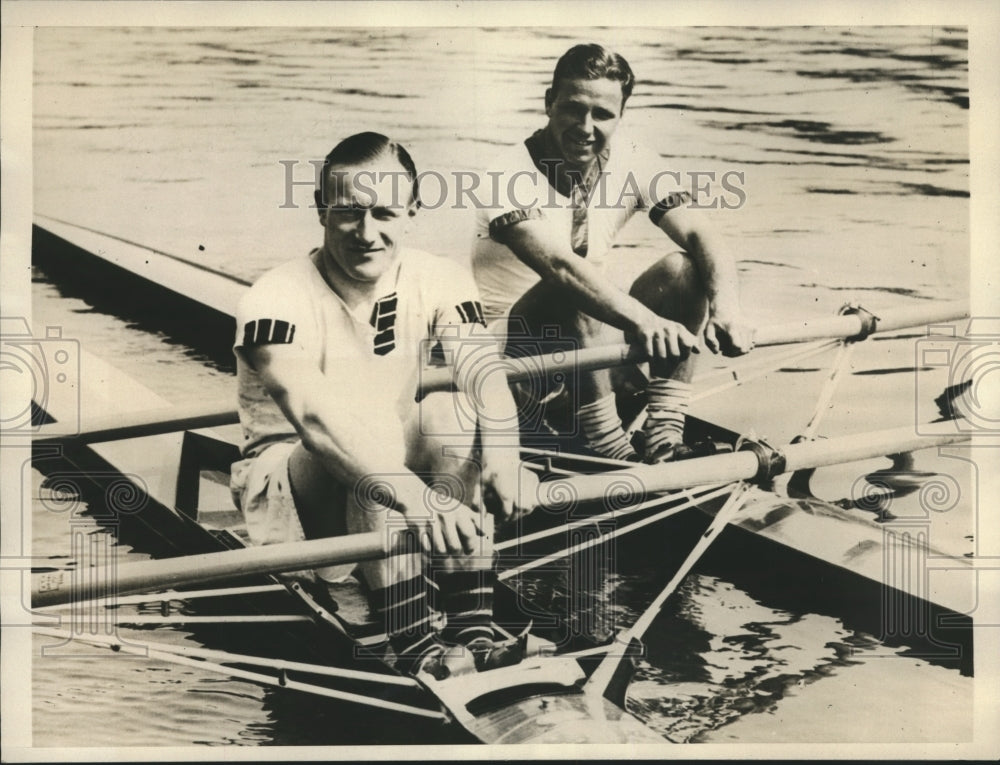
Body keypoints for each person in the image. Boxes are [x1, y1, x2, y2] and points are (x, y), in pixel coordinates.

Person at [230, 132, 534, 679]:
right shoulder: (273, 297)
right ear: (321, 209)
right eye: (347, 213)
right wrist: (419, 499)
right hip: (291, 481)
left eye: (385, 213)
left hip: (383, 466)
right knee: (366, 421)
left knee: (453, 414)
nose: (367, 233)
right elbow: (317, 423)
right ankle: (414, 640)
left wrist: (505, 457)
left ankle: (473, 630)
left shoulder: (439, 277)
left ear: (412, 212)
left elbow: (486, 378)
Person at [473, 44, 755, 462]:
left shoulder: (633, 161)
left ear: (621, 115)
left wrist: (725, 308)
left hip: (583, 343)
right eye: (573, 109)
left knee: (683, 269)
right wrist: (645, 320)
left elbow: (701, 232)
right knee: (574, 283)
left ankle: (664, 430)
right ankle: (609, 448)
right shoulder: (505, 174)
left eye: (603, 114)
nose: (586, 127)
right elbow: (560, 268)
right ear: (549, 103)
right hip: (509, 359)